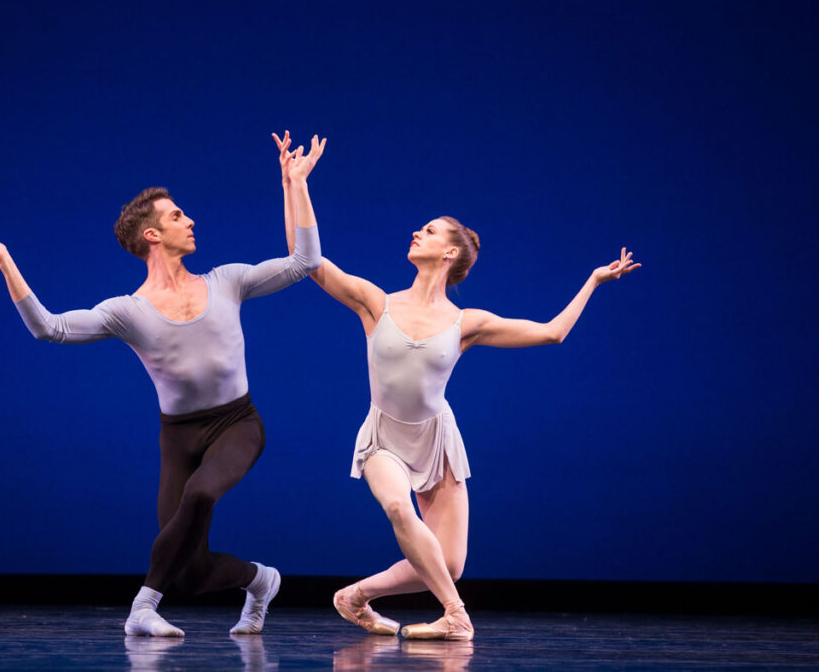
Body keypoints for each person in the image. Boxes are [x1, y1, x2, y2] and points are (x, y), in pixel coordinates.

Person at [0, 135, 325, 637]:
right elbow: (50, 328)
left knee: (200, 495)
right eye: (176, 216)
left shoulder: (227, 281)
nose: (190, 221)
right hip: (179, 438)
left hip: (238, 423)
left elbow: (305, 261)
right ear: (152, 235)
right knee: (189, 572)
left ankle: (141, 609)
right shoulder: (126, 311)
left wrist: (294, 183)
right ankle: (262, 581)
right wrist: (6, 263)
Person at [274, 138, 639, 641]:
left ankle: (354, 596)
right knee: (400, 508)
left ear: (448, 252)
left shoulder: (468, 322)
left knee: (449, 560)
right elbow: (308, 260)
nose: (415, 233)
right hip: (385, 438)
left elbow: (553, 332)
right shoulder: (375, 304)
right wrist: (296, 184)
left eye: (427, 231)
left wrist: (594, 281)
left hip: (438, 439)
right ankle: (456, 615)